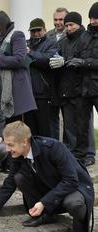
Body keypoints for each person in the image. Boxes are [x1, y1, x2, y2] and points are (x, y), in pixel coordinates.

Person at [0, 121, 94, 232]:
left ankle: (82, 230)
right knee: (18, 178)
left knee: (74, 203)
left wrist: (43, 202)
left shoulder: (54, 148)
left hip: (75, 188)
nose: (7, 149)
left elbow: (71, 181)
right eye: (6, 144)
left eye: (10, 145)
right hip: (51, 187)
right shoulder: (16, 155)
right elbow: (9, 185)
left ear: (24, 141)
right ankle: (45, 216)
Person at [0, 11, 37, 121]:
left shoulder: (17, 35)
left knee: (15, 127)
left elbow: (19, 59)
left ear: (4, 23)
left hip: (15, 90)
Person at [49, 12, 86, 157]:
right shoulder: (63, 41)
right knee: (69, 126)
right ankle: (71, 154)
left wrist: (65, 60)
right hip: (66, 89)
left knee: (81, 126)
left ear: (78, 24)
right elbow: (54, 56)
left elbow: (83, 59)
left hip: (81, 89)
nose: (68, 28)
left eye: (71, 25)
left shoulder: (85, 39)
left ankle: (84, 154)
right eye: (67, 25)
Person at [71, 2, 98, 165]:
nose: (94, 21)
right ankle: (84, 156)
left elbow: (85, 61)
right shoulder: (84, 36)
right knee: (81, 124)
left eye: (96, 18)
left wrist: (84, 62)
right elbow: (76, 56)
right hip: (83, 88)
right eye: (92, 18)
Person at [26, 18, 58, 137]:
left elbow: (49, 61)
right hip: (28, 94)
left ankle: (47, 155)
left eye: (38, 30)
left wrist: (30, 53)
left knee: (45, 130)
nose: (35, 33)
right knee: (31, 131)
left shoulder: (52, 43)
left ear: (45, 29)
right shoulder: (26, 43)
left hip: (44, 94)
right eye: (32, 31)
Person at [46, 7, 68, 141]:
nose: (58, 22)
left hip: (67, 82)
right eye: (55, 19)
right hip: (52, 83)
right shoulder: (48, 35)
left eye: (61, 19)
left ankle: (68, 149)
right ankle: (55, 146)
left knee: (69, 120)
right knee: (52, 119)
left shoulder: (72, 34)